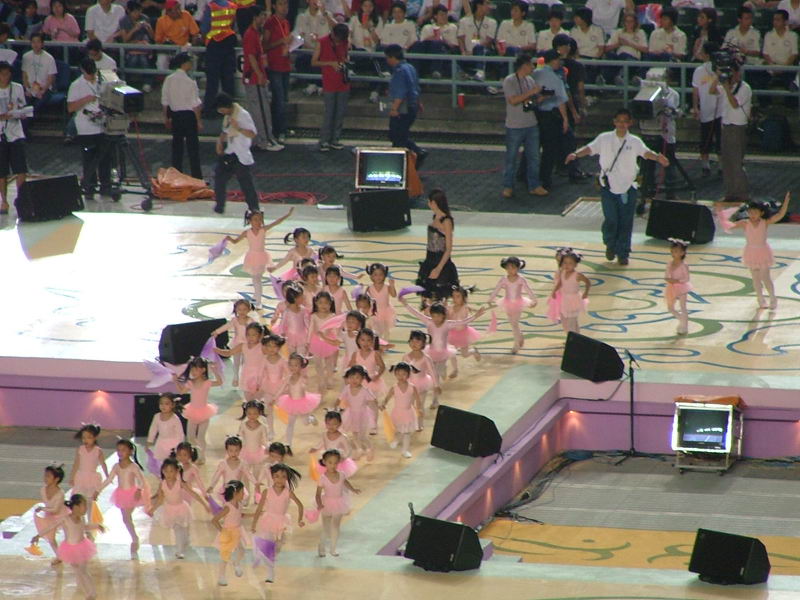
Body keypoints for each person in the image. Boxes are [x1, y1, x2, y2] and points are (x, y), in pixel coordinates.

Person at [565, 108, 669, 266]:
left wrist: (657, 158)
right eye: (619, 121)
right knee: (611, 219)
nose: (621, 124)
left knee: (626, 221)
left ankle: (623, 252)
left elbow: (645, 152)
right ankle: (610, 243)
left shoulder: (634, 141)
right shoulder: (604, 138)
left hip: (629, 187)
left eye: (625, 121)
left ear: (630, 123)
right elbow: (590, 148)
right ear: (614, 122)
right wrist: (575, 154)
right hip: (608, 187)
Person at [718, 194, 790, 310]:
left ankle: (772, 298)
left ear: (761, 213)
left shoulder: (765, 222)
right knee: (756, 278)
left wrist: (786, 202)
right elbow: (728, 226)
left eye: (755, 212)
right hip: (751, 252)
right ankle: (760, 299)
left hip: (763, 251)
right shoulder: (744, 223)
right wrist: (721, 214)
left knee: (765, 277)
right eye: (750, 212)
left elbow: (780, 215)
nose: (752, 215)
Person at [31, 494, 104, 599]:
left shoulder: (81, 518)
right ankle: (88, 594)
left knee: (82, 570)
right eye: (84, 506)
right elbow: (51, 527)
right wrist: (38, 535)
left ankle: (92, 593)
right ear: (76, 507)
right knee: (78, 571)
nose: (86, 508)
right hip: (70, 549)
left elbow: (84, 527)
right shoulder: (65, 519)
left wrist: (96, 526)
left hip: (82, 547)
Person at [501, 52, 546, 199]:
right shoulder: (509, 81)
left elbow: (531, 100)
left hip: (531, 124)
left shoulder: (530, 80)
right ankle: (508, 186)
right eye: (531, 64)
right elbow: (513, 100)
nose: (533, 67)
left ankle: (534, 185)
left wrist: (541, 97)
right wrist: (532, 92)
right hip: (514, 126)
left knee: (534, 157)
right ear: (524, 66)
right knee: (511, 158)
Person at [251, 464, 304, 583]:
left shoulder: (288, 492)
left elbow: (300, 505)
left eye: (283, 476)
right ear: (272, 477)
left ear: (287, 478)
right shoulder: (267, 491)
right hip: (269, 521)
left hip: (282, 522)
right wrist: (254, 524)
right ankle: (270, 573)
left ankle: (260, 554)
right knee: (269, 546)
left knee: (278, 547)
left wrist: (300, 519)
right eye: (277, 476)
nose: (280, 479)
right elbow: (259, 509)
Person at [68, 57, 112, 201]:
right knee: (89, 158)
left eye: (93, 73)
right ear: (82, 70)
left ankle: (106, 185)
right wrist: (86, 99)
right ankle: (90, 186)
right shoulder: (76, 85)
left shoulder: (102, 82)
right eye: (89, 73)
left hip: (102, 125)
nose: (92, 76)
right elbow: (70, 107)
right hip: (86, 127)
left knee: (105, 157)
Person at [96, 439, 148, 559]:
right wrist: (98, 490)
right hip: (120, 494)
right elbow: (109, 480)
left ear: (130, 451)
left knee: (126, 518)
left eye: (123, 450)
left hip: (131, 494)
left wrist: (139, 490)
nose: (120, 452)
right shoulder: (116, 466)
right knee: (126, 519)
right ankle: (134, 538)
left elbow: (141, 480)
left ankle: (134, 540)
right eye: (118, 450)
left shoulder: (133, 466)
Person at [210, 92, 260, 214]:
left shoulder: (243, 115)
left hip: (241, 154)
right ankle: (219, 206)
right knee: (219, 178)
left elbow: (252, 134)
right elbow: (225, 131)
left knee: (246, 184)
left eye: (221, 109)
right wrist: (219, 142)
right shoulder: (228, 116)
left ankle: (254, 208)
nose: (221, 112)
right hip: (229, 152)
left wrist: (239, 128)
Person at [242, 6, 283, 152]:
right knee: (261, 111)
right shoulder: (250, 34)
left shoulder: (254, 33)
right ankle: (265, 141)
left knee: (260, 110)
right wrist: (259, 75)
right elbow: (251, 57)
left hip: (256, 76)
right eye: (262, 16)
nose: (264, 19)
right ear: (255, 17)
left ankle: (261, 139)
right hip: (254, 78)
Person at [710, 62, 751, 202]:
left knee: (736, 162)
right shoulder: (727, 86)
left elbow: (734, 104)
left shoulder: (744, 88)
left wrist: (727, 88)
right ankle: (730, 192)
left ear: (738, 73)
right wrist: (718, 77)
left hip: (737, 127)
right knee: (726, 161)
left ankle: (741, 193)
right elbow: (712, 90)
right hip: (726, 126)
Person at [173, 356, 222, 463]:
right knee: (190, 437)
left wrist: (215, 371)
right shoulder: (190, 383)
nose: (193, 372)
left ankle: (202, 456)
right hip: (192, 412)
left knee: (201, 437)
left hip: (204, 413)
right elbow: (181, 391)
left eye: (196, 369)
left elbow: (219, 382)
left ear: (203, 370)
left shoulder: (207, 382)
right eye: (192, 369)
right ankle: (194, 455)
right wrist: (176, 381)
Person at [162, 52, 203, 179]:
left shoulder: (169, 79)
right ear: (184, 64)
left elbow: (165, 101)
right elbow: (195, 104)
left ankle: (176, 176)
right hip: (189, 116)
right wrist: (198, 121)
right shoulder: (190, 81)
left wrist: (166, 118)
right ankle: (196, 177)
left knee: (177, 147)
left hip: (175, 115)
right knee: (193, 148)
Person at [533, 49, 569, 193]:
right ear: (553, 61)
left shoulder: (535, 73)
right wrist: (565, 119)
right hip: (550, 116)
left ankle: (524, 175)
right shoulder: (555, 78)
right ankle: (545, 179)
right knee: (549, 149)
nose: (560, 63)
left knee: (533, 147)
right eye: (558, 60)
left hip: (534, 115)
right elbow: (560, 100)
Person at [384, 44, 426, 166]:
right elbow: (415, 87)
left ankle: (404, 159)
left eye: (387, 58)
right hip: (412, 106)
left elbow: (401, 92)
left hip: (403, 109)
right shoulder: (410, 67)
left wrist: (394, 108)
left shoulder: (399, 71)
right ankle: (414, 153)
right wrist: (418, 102)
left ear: (392, 57)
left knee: (397, 136)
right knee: (401, 134)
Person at [313, 22, 351, 152]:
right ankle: (324, 140)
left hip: (343, 82)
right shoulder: (322, 42)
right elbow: (314, 62)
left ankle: (335, 139)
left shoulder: (345, 42)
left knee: (340, 113)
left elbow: (345, 56)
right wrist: (330, 63)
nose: (338, 41)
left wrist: (345, 62)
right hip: (329, 82)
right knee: (329, 113)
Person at [415, 188, 459, 299]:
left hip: (440, 262)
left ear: (434, 203)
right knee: (427, 295)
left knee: (439, 295)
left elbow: (448, 249)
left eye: (429, 202)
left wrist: (438, 268)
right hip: (429, 259)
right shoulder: (435, 217)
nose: (428, 204)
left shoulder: (446, 221)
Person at [489, 255, 536, 354]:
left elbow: (528, 290)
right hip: (507, 303)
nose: (510, 270)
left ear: (518, 268)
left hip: (518, 303)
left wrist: (534, 300)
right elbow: (497, 289)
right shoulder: (504, 279)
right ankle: (520, 335)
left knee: (514, 323)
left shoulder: (521, 279)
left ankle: (516, 345)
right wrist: (490, 299)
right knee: (513, 324)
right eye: (508, 268)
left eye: (513, 267)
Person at [0, 63, 29, 214]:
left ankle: (22, 199)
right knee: (2, 171)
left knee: (21, 168)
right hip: (1, 134)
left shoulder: (17, 88)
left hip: (16, 133)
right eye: (2, 74)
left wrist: (20, 112)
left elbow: (23, 106)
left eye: (7, 74)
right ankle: (4, 201)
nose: (5, 77)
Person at [199, 0, 237, 116]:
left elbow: (204, 28)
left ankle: (209, 109)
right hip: (229, 44)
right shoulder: (232, 6)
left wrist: (205, 40)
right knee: (228, 79)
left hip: (214, 45)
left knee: (212, 81)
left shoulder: (211, 7)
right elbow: (233, 25)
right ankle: (229, 108)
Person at [691, 41, 722, 177]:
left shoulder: (720, 69)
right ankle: (706, 165)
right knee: (706, 139)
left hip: (720, 110)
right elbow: (696, 90)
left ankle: (720, 166)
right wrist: (695, 107)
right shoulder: (699, 71)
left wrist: (695, 107)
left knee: (719, 139)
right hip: (706, 109)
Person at [68, 423, 109, 523]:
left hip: (92, 478)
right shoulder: (80, 449)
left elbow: (103, 464)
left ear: (95, 437)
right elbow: (76, 464)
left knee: (89, 501)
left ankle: (90, 522)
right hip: (81, 477)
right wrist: (72, 477)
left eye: (89, 437)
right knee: (79, 500)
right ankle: (82, 522)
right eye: (84, 438)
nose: (86, 440)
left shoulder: (98, 451)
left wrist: (107, 475)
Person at [265, 0, 293, 143]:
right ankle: (278, 130)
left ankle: (282, 128)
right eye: (281, 4)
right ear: (275, 6)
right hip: (275, 65)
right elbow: (265, 45)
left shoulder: (286, 23)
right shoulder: (270, 22)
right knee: (279, 100)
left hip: (285, 64)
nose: (284, 7)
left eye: (286, 4)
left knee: (284, 99)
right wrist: (282, 41)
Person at [381, 365, 422, 458]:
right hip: (397, 413)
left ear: (408, 375)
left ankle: (405, 450)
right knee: (399, 431)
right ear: (395, 374)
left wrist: (419, 409)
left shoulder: (412, 387)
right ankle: (396, 440)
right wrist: (383, 404)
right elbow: (387, 398)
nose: (401, 376)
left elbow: (418, 399)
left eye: (404, 374)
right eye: (398, 374)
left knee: (407, 433)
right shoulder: (394, 387)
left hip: (408, 413)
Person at [551, 249, 590, 333]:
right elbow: (560, 283)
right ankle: (577, 337)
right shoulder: (562, 272)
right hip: (564, 300)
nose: (567, 265)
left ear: (575, 264)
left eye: (570, 263)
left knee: (571, 324)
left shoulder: (577, 275)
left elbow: (588, 282)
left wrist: (586, 293)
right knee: (565, 321)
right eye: (565, 263)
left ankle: (573, 339)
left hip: (574, 301)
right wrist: (554, 291)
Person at [724, 6, 764, 89]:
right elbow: (725, 49)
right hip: (734, 66)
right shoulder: (731, 33)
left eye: (750, 18)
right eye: (746, 18)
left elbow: (758, 52)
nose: (750, 21)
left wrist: (746, 52)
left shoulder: (756, 33)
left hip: (751, 65)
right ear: (739, 19)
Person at [118, 1, 154, 92]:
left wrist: (149, 28)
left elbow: (152, 37)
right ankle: (127, 83)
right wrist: (134, 29)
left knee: (143, 59)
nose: (138, 14)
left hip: (143, 49)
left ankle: (147, 83)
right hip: (131, 48)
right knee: (133, 59)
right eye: (135, 11)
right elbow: (125, 40)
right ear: (129, 11)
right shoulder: (123, 20)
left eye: (139, 11)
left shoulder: (145, 18)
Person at [154, 0, 201, 70]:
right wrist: (166, 43)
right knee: (161, 60)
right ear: (169, 12)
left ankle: (191, 76)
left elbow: (195, 33)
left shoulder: (186, 15)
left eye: (179, 8)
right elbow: (158, 40)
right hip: (169, 48)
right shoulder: (161, 21)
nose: (179, 11)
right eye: (176, 9)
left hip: (184, 46)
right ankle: (163, 77)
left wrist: (195, 43)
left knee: (192, 56)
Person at [457, 0, 497, 81]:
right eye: (487, 3)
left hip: (485, 53)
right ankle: (466, 74)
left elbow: (488, 41)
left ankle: (480, 72)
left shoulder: (492, 22)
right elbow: (460, 39)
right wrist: (463, 52)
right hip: (467, 54)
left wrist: (472, 52)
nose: (489, 6)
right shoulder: (464, 21)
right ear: (479, 5)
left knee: (479, 47)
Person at [22, 32, 62, 113]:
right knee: (25, 105)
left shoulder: (49, 58)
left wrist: (42, 91)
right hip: (30, 88)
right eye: (33, 42)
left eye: (38, 42)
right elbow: (24, 75)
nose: (35, 44)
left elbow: (51, 78)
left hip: (45, 89)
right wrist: (28, 89)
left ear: (42, 43)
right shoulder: (26, 57)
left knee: (36, 106)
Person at [415, 4, 458, 78]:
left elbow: (453, 46)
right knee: (421, 45)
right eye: (441, 15)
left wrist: (441, 39)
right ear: (435, 16)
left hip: (446, 51)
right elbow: (422, 43)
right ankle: (416, 71)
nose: (444, 17)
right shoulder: (427, 27)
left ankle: (436, 70)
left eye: (445, 14)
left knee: (437, 43)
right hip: (428, 52)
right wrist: (434, 37)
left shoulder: (452, 27)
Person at [762, 10, 798, 93]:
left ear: (785, 22)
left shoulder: (793, 36)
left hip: (787, 68)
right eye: (774, 19)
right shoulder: (768, 35)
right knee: (761, 79)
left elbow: (794, 54)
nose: (775, 22)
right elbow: (765, 54)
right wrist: (773, 66)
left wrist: (783, 68)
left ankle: (790, 101)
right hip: (771, 68)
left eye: (778, 20)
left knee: (792, 83)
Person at [664, 238, 692, 335]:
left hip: (682, 287)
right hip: (671, 287)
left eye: (676, 251)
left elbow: (687, 278)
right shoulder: (669, 263)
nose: (674, 253)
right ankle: (682, 320)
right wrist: (668, 279)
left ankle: (684, 326)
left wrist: (677, 281)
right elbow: (666, 275)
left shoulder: (684, 265)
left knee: (682, 307)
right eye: (673, 251)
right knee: (670, 307)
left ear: (682, 253)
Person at [146, 393, 185, 461]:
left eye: (166, 404)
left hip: (173, 445)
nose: (163, 406)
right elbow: (153, 430)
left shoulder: (175, 419)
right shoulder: (156, 416)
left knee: (171, 462)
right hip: (160, 444)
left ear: (173, 405)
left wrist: (180, 447)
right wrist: (149, 442)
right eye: (161, 403)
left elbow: (180, 434)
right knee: (160, 462)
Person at [570, 7, 605, 83]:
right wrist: (578, 58)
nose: (574, 19)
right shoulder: (574, 31)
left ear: (584, 18)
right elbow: (574, 48)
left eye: (577, 17)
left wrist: (595, 59)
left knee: (591, 70)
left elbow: (601, 49)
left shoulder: (598, 30)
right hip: (580, 57)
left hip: (594, 58)